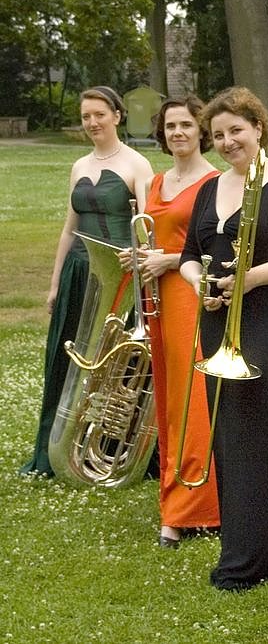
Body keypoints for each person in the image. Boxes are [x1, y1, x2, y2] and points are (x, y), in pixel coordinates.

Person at [179, 86, 268, 590]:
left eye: (236, 130)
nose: (227, 141)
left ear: (259, 128)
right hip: (219, 322)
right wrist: (201, 285)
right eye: (218, 134)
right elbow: (188, 255)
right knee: (231, 438)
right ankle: (242, 550)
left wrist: (249, 279)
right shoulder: (209, 188)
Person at [21, 86, 154, 476]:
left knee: (115, 363)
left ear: (117, 116)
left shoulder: (137, 164)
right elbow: (69, 230)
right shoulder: (79, 165)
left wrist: (139, 263)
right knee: (67, 360)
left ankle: (112, 448)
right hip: (80, 272)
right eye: (86, 117)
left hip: (120, 275)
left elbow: (147, 227)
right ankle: (53, 450)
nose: (92, 122)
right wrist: (54, 283)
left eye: (99, 114)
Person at [127, 96, 221, 548]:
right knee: (167, 401)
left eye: (186, 124)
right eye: (170, 126)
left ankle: (192, 509)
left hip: (189, 295)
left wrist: (165, 260)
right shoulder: (156, 181)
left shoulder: (215, 181)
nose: (178, 132)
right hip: (157, 300)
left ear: (201, 130)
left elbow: (212, 249)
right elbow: (154, 235)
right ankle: (176, 497)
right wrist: (138, 257)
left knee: (192, 402)